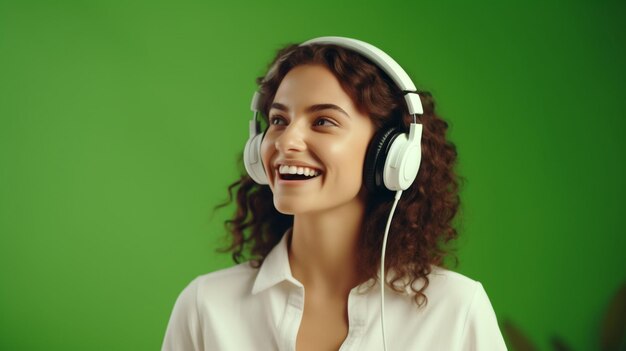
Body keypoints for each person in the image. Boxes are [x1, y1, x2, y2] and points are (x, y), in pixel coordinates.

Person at [162, 37, 507, 351]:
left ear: (389, 154)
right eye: (279, 120)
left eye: (323, 121)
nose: (285, 141)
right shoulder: (205, 306)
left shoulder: (456, 310)